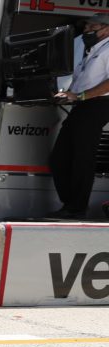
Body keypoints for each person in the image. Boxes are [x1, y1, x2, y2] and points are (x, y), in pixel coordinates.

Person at [48, 14, 109, 220]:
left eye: (93, 26)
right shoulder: (90, 47)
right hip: (84, 104)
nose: (87, 29)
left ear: (106, 29)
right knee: (60, 158)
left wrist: (81, 95)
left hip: (99, 104)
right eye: (86, 26)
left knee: (82, 156)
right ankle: (71, 205)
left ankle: (76, 208)